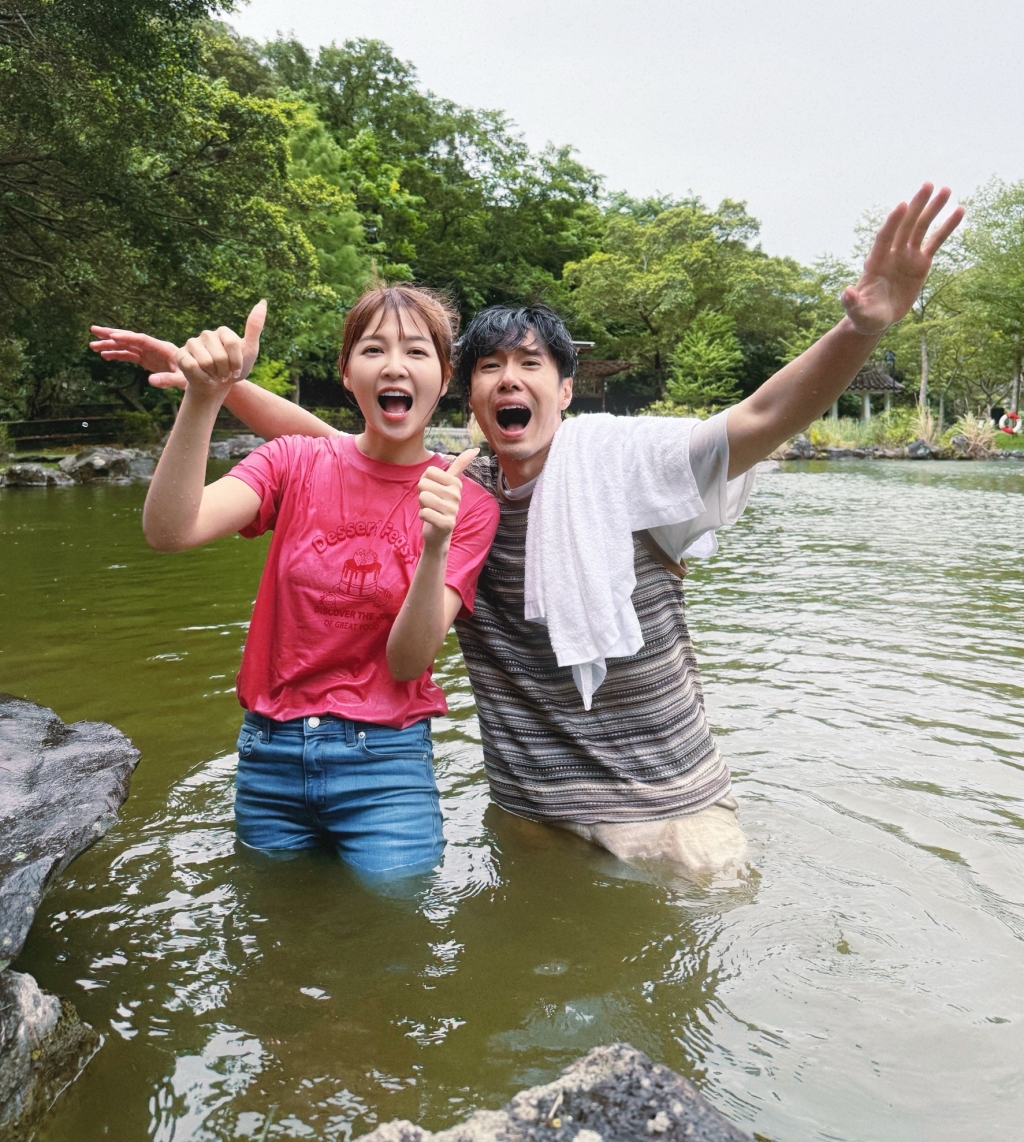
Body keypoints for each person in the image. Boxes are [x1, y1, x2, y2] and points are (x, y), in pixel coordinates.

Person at [94, 183, 962, 879]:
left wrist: (861, 327)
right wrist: (210, 382)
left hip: (667, 809)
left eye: (531, 365)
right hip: (528, 812)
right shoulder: (455, 482)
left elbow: (761, 418)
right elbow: (334, 449)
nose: (509, 379)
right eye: (490, 367)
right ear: (464, 398)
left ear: (566, 389)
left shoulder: (621, 465)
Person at [130, 283, 499, 881]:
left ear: (445, 375)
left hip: (387, 762)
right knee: (272, 929)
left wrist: (434, 546)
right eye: (373, 349)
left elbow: (407, 665)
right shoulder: (293, 462)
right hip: (268, 755)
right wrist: (203, 398)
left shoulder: (467, 505)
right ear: (347, 374)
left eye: (416, 351)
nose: (395, 366)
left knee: (394, 931)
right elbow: (172, 531)